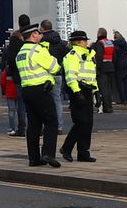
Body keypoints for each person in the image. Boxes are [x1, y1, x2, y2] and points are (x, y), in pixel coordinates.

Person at [14, 23, 61, 168]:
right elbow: (55, 67)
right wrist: (49, 55)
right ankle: (48, 153)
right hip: (41, 89)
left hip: (27, 90)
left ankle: (33, 158)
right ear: (33, 35)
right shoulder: (37, 50)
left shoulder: (21, 52)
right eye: (39, 33)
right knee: (51, 121)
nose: (41, 36)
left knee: (33, 125)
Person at [59, 31, 97, 163]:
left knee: (88, 123)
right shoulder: (72, 55)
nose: (87, 43)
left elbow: (91, 74)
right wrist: (76, 92)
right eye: (85, 41)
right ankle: (66, 148)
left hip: (87, 90)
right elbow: (71, 75)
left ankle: (83, 152)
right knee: (81, 122)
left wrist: (96, 90)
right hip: (78, 89)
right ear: (79, 42)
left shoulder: (88, 55)